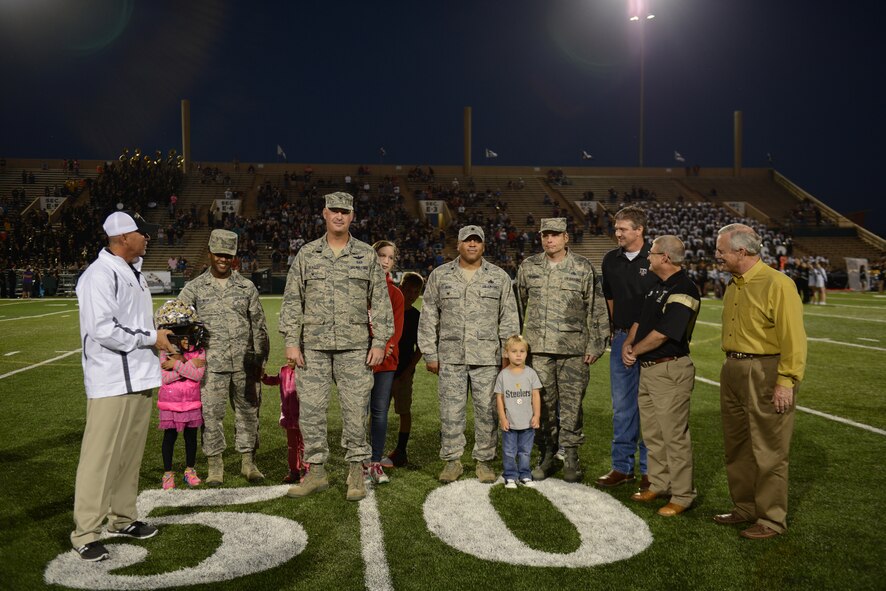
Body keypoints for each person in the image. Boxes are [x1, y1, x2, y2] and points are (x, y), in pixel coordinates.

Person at [71, 211, 175, 562]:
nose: (147, 238)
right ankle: (86, 532)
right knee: (99, 458)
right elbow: (103, 329)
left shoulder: (133, 272)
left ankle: (123, 517)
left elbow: (133, 322)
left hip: (140, 375)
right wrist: (152, 337)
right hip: (111, 379)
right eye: (142, 233)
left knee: (129, 455)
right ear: (122, 237)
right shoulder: (98, 275)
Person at [280, 192, 393, 502]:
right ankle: (315, 472)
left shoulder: (366, 255)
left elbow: (380, 300)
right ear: (325, 214)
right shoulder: (307, 254)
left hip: (355, 347)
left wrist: (380, 341)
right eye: (334, 211)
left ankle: (355, 471)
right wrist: (292, 340)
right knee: (312, 413)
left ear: (352, 216)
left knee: (356, 413)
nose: (339, 216)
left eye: (345, 211)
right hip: (313, 348)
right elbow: (292, 299)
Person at [713, 223, 807, 540]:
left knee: (769, 449)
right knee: (737, 444)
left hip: (766, 370)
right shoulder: (733, 284)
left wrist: (787, 380)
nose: (717, 256)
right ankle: (745, 507)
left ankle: (771, 518)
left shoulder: (777, 284)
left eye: (721, 250)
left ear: (742, 251)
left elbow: (794, 339)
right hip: (733, 368)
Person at [417, 225, 519, 484]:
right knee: (451, 411)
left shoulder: (499, 277)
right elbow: (429, 317)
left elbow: (508, 319)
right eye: (467, 240)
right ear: (458, 245)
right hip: (450, 356)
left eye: (477, 241)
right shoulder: (441, 276)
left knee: (488, 412)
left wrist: (508, 356)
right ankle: (452, 461)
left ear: (484, 246)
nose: (472, 245)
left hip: (488, 358)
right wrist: (429, 352)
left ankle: (484, 461)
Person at [516, 218, 608, 483]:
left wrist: (596, 343)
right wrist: (517, 345)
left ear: (566, 237)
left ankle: (570, 454)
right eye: (545, 235)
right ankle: (547, 452)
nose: (549, 240)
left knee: (571, 405)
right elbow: (517, 306)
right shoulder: (529, 267)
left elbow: (597, 307)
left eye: (555, 235)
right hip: (538, 351)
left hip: (574, 352)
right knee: (542, 405)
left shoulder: (582, 267)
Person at [178, 229, 270, 487]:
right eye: (218, 254)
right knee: (211, 416)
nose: (223, 259)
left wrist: (260, 361)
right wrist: (187, 355)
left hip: (245, 364)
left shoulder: (246, 287)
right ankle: (215, 465)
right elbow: (175, 320)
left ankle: (248, 463)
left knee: (249, 413)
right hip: (211, 367)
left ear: (234, 256)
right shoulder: (194, 288)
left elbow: (259, 326)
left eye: (228, 255)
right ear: (209, 253)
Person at [621, 236, 700, 517]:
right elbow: (642, 321)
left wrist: (636, 349)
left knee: (673, 435)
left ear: (665, 258)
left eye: (651, 253)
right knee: (654, 434)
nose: (648, 257)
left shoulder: (685, 288)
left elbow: (665, 332)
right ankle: (660, 482)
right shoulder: (657, 285)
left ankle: (682, 494)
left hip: (670, 368)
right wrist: (630, 346)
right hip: (649, 368)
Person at [597, 206, 656, 489]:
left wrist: (634, 339)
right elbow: (610, 296)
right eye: (616, 228)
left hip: (654, 341)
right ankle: (622, 466)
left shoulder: (657, 258)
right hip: (621, 337)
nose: (617, 233)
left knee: (649, 407)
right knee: (622, 406)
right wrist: (614, 329)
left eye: (623, 229)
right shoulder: (610, 260)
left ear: (639, 230)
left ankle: (650, 469)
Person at [154, 300, 207, 490]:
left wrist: (177, 364)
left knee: (191, 438)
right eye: (182, 334)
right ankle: (168, 473)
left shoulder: (198, 350)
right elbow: (165, 378)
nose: (187, 339)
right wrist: (187, 366)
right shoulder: (163, 350)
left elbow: (198, 376)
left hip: (192, 402)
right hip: (170, 403)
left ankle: (189, 470)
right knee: (169, 437)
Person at [367, 240, 405, 484]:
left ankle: (375, 460)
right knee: (357, 412)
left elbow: (396, 330)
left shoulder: (396, 294)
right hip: (359, 361)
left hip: (385, 362)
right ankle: (359, 460)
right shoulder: (361, 289)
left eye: (390, 257)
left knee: (379, 412)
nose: (385, 260)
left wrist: (383, 348)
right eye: (381, 255)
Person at [381, 272, 425, 468]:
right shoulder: (389, 311)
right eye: (408, 290)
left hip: (403, 371)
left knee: (404, 410)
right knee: (378, 410)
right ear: (401, 286)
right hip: (383, 369)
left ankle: (401, 450)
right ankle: (374, 449)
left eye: (416, 292)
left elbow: (420, 347)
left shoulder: (417, 317)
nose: (411, 294)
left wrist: (408, 371)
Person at [495, 335, 541, 489]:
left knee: (525, 451)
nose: (519, 354)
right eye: (514, 351)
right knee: (509, 451)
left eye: (522, 351)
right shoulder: (503, 375)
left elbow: (535, 395)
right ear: (507, 353)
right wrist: (503, 418)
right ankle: (510, 476)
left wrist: (537, 415)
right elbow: (499, 398)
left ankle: (525, 474)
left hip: (527, 422)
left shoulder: (531, 374)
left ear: (527, 353)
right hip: (510, 423)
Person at [261, 362, 305, 484]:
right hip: (289, 416)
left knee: (304, 445)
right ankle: (293, 471)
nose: (290, 360)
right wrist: (264, 377)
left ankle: (306, 470)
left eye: (292, 358)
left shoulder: (305, 370)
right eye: (288, 358)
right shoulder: (283, 370)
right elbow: (275, 380)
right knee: (292, 446)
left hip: (303, 416)